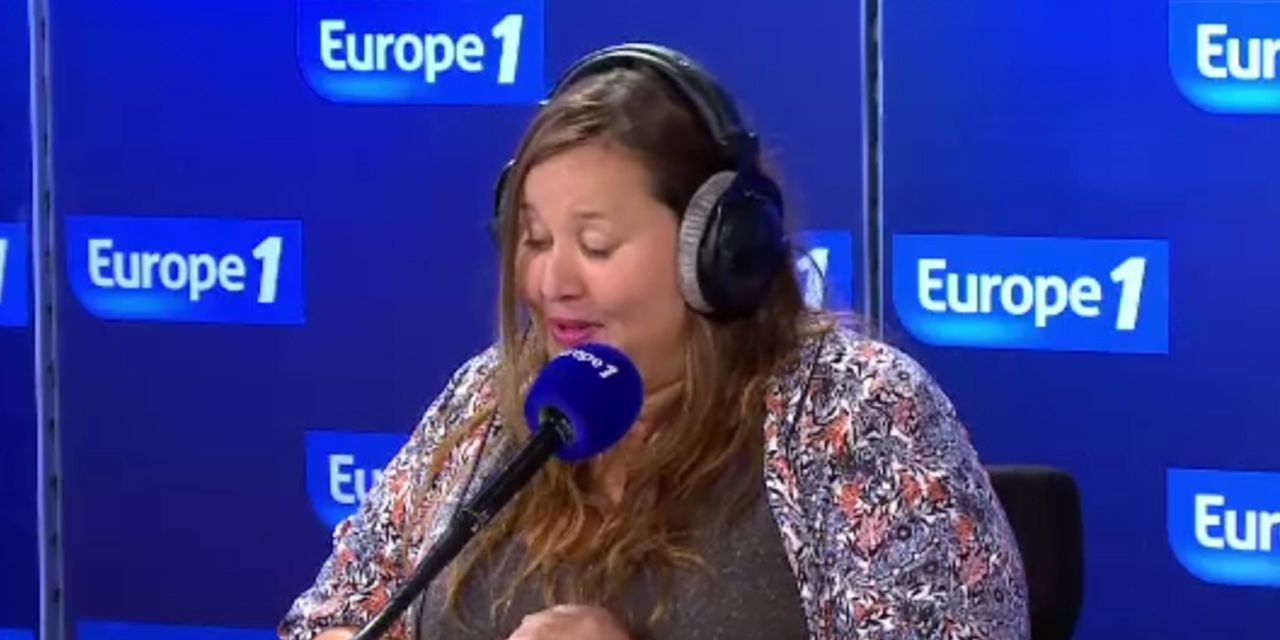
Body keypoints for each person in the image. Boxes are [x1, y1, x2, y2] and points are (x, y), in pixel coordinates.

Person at [278, 43, 1029, 640]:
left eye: (596, 246)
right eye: (534, 240)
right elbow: (332, 618)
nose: (552, 281)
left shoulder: (857, 411)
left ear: (718, 249)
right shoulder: (488, 398)